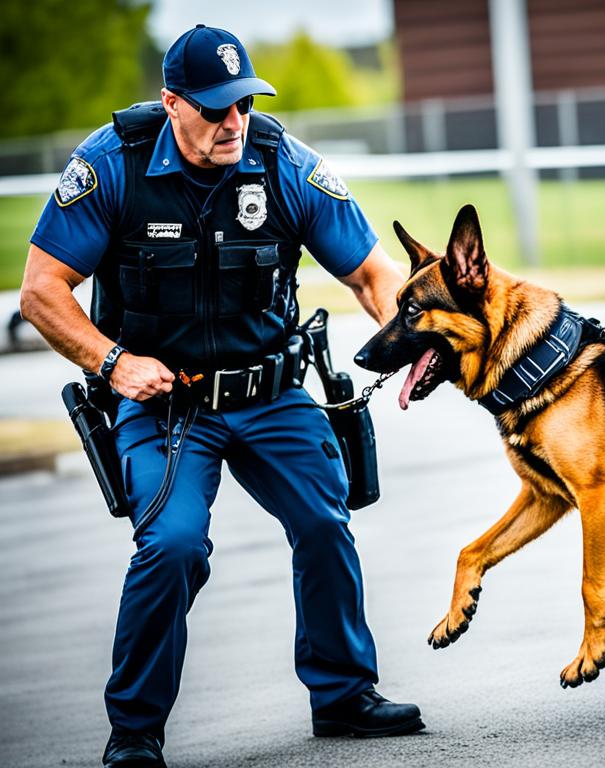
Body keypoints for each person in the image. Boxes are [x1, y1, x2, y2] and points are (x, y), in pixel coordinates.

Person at [20, 24, 421, 768]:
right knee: (172, 545)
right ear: (172, 102)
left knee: (325, 520)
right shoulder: (112, 167)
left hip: (270, 392)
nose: (232, 121)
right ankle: (134, 733)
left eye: (243, 103)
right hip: (165, 403)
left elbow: (372, 274)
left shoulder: (282, 163)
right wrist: (112, 363)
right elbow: (42, 291)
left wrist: (415, 337)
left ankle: (342, 696)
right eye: (213, 108)